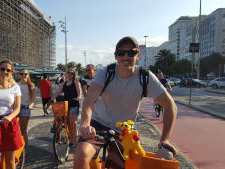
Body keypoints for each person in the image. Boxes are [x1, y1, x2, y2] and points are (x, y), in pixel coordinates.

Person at [73, 36, 178, 169]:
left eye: (131, 52)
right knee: (81, 155)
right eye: (121, 53)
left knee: (119, 165)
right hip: (98, 123)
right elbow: (89, 100)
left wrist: (165, 139)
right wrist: (85, 124)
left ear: (138, 55)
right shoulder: (106, 72)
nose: (126, 56)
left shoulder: (145, 77)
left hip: (124, 130)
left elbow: (170, 105)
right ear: (116, 56)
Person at [51, 68, 82, 148]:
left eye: (72, 73)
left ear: (73, 75)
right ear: (66, 73)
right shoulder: (63, 83)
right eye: (68, 72)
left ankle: (75, 142)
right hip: (65, 105)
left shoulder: (75, 82)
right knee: (67, 123)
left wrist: (79, 96)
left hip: (74, 104)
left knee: (73, 124)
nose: (70, 74)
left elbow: (79, 91)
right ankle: (71, 139)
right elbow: (57, 92)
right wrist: (51, 99)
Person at [17, 68, 35, 151]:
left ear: (28, 75)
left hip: (25, 108)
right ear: (19, 75)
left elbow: (33, 99)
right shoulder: (16, 85)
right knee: (14, 129)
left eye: (25, 74)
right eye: (22, 74)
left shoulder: (31, 85)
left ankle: (25, 149)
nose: (24, 75)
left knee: (23, 130)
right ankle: (16, 147)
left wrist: (31, 105)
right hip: (15, 108)